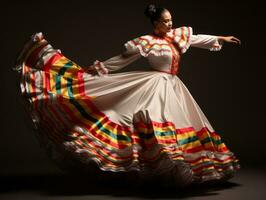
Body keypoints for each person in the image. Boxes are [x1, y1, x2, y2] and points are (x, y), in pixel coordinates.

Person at [14, 4, 240, 187]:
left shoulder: (177, 37)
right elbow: (122, 60)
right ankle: (149, 168)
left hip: (173, 86)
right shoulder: (147, 42)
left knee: (180, 122)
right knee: (149, 122)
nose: (170, 24)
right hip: (154, 85)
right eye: (166, 21)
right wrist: (98, 69)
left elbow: (196, 38)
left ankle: (173, 168)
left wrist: (221, 38)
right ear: (155, 23)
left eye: (171, 20)